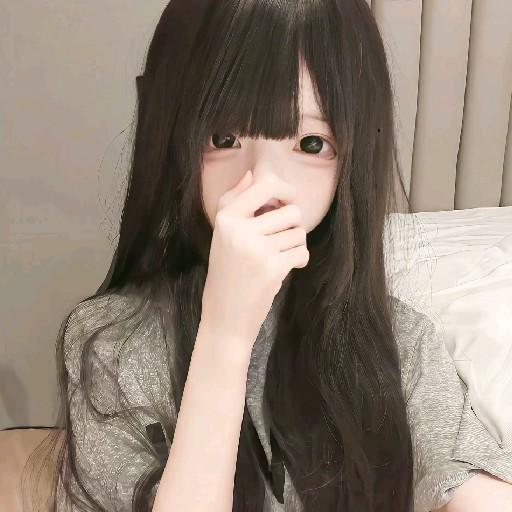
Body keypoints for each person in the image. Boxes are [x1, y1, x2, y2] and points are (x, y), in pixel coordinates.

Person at [21, 1, 512, 511]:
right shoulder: (114, 346)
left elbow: (473, 487)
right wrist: (225, 336)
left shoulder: (400, 344)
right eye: (224, 138)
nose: (265, 184)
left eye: (311, 143)